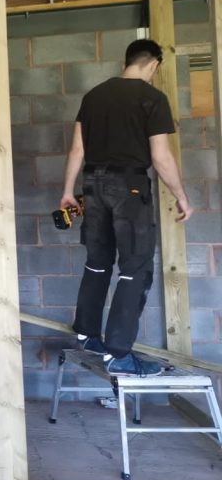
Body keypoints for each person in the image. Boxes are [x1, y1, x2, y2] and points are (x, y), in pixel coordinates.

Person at [59, 38, 193, 376]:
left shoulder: (93, 96)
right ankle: (119, 355)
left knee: (97, 264)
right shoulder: (152, 98)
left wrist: (67, 192)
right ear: (154, 65)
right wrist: (181, 195)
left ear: (127, 60)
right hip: (129, 187)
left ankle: (88, 335)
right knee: (136, 268)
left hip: (92, 185)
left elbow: (77, 150)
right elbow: (161, 157)